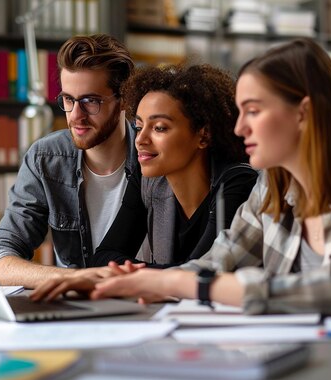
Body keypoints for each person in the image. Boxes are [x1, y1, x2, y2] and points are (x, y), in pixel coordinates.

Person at [87, 38, 331, 323]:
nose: (239, 129)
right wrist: (131, 281)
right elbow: (216, 263)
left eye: (253, 110)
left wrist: (200, 285)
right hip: (310, 365)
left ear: (303, 112)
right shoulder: (271, 185)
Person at [30, 63, 258, 302]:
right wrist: (135, 275)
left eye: (159, 128)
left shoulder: (237, 183)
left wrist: (128, 276)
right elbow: (104, 256)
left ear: (204, 135)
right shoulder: (149, 180)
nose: (140, 140)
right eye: (138, 127)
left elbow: (202, 272)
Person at [0, 34, 137, 289]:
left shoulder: (154, 155)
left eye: (90, 101)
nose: (76, 115)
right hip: (77, 310)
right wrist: (73, 279)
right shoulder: (46, 159)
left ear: (124, 99)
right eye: (68, 99)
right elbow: (0, 257)